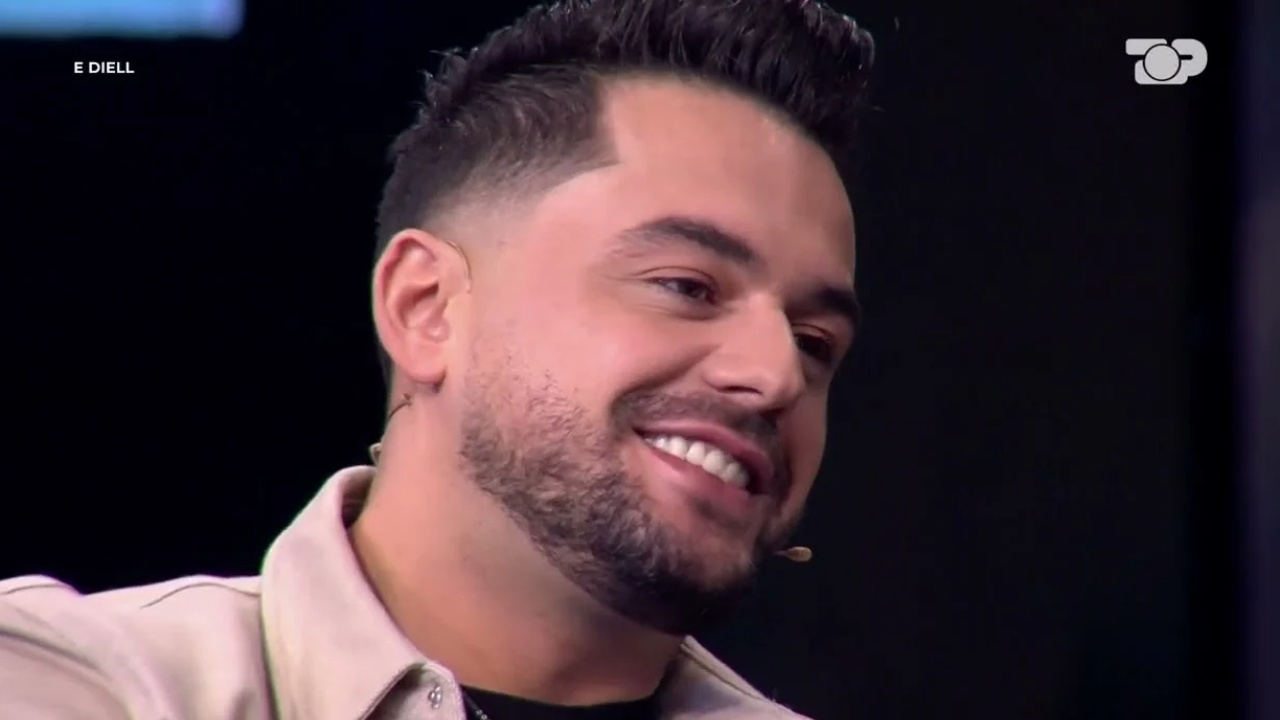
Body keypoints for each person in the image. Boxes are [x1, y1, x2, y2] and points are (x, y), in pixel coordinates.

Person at [0, 0, 873, 717]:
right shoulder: (81, 681)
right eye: (687, 286)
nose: (776, 375)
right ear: (426, 307)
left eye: (815, 343)